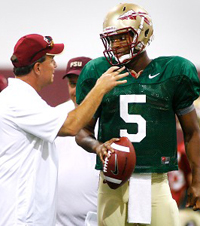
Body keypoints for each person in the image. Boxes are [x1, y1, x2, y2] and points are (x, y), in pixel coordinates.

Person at [75, 3, 200, 226]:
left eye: (123, 37)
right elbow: (82, 131)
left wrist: (198, 180)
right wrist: (98, 146)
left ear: (143, 33)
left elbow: (192, 132)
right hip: (111, 181)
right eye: (112, 39)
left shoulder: (173, 71)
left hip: (155, 180)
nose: (116, 44)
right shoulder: (99, 72)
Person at [0, 34, 128, 226]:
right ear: (37, 67)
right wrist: (100, 88)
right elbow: (72, 126)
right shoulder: (19, 100)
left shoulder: (24, 98)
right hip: (21, 219)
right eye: (51, 59)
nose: (54, 65)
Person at [55, 56, 98, 226]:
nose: (77, 90)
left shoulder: (110, 116)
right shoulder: (55, 116)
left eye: (83, 84)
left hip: (99, 219)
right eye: (72, 84)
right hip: (58, 221)